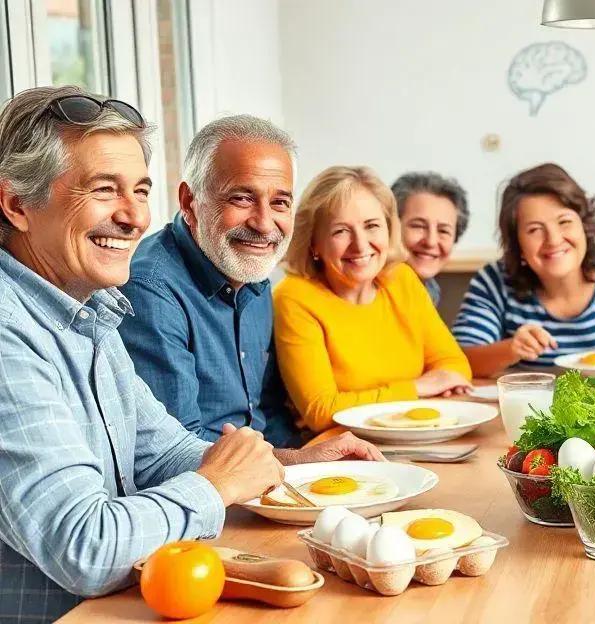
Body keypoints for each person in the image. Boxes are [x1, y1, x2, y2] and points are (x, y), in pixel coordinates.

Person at [0, 86, 382, 623]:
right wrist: (217, 484)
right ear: (18, 204)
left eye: (140, 190)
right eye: (104, 190)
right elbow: (85, 549)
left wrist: (283, 463)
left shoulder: (90, 309)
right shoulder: (9, 334)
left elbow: (160, 453)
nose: (134, 217)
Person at [120, 115, 302, 447]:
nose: (264, 223)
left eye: (280, 202)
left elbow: (270, 414)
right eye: (242, 198)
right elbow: (177, 448)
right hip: (210, 487)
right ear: (190, 202)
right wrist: (297, 465)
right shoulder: (150, 288)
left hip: (267, 477)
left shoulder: (251, 269)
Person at [274, 166, 472, 432]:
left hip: (416, 435)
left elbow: (455, 368)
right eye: (340, 231)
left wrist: (377, 404)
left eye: (372, 226)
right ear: (314, 244)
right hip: (338, 449)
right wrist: (418, 388)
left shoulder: (401, 278)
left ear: (389, 229)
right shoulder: (294, 297)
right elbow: (321, 412)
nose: (361, 245)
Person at [452, 163, 595, 377]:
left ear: (584, 226)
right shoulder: (494, 281)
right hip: (534, 410)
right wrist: (511, 349)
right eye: (534, 230)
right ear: (517, 243)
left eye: (564, 222)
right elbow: (458, 361)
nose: (554, 240)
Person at [391, 171, 470, 306]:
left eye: (443, 231)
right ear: (391, 227)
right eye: (418, 226)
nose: (431, 241)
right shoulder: (368, 293)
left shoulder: (431, 290)